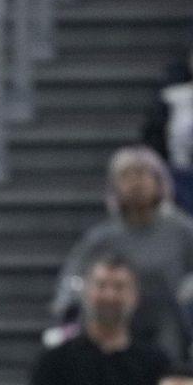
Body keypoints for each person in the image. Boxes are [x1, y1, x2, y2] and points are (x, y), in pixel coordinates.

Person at [52, 145, 193, 362]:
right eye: (126, 176)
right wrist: (74, 301)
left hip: (169, 319)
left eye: (142, 175)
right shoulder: (101, 238)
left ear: (159, 183)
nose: (135, 183)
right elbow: (73, 278)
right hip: (114, 319)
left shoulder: (182, 230)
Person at [32, 253, 171, 385]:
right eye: (101, 285)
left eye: (119, 287)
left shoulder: (156, 366)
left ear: (134, 295)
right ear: (86, 292)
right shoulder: (54, 364)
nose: (109, 296)